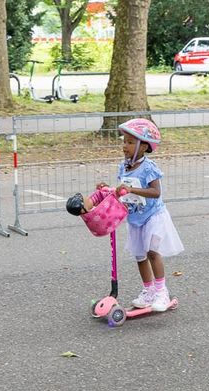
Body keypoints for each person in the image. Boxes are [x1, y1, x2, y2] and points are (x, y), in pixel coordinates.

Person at [66, 118, 184, 312]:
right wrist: (108, 189)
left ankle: (161, 291)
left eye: (130, 142)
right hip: (135, 218)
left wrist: (132, 190)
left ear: (144, 146)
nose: (124, 146)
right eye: (124, 141)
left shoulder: (149, 167)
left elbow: (156, 192)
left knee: (152, 252)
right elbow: (121, 190)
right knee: (139, 256)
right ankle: (148, 291)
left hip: (153, 216)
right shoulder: (124, 166)